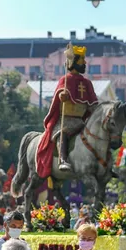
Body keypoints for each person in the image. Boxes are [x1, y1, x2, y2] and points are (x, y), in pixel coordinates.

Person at [36, 44, 98, 175]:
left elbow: (92, 103)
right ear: (73, 62)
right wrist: (62, 95)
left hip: (81, 122)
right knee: (63, 133)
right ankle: (62, 160)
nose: (85, 63)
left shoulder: (87, 83)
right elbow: (58, 96)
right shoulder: (65, 79)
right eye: (81, 60)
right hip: (65, 120)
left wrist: (95, 110)